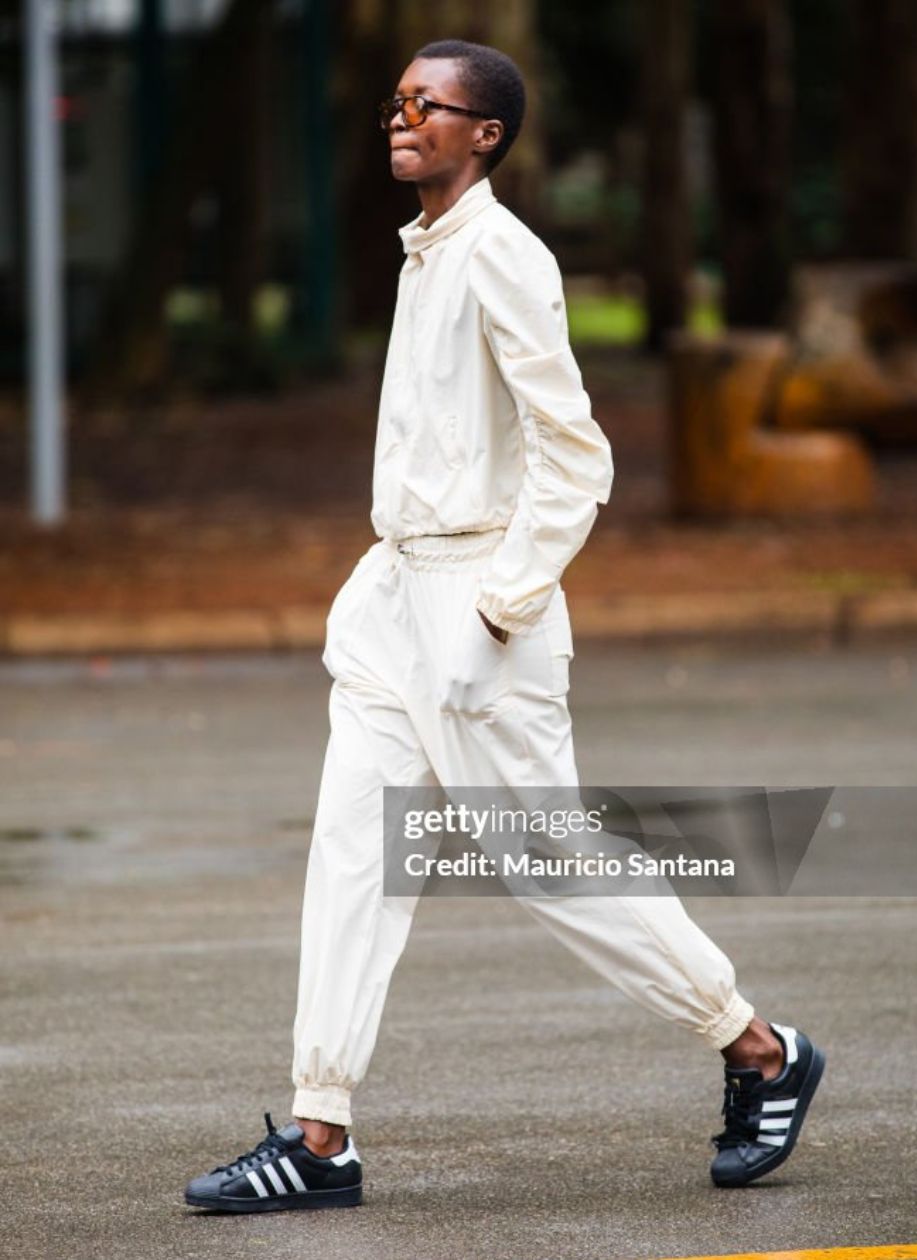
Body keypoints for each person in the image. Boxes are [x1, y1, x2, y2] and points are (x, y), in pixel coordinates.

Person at [184, 38, 824, 1214]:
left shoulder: (502, 256)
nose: (404, 115)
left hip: (483, 606)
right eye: (397, 100)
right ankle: (320, 1138)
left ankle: (760, 1051)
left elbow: (577, 459)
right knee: (352, 860)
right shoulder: (426, 253)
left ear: (486, 134)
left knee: (552, 868)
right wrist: (397, 591)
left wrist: (499, 604)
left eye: (433, 105)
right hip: (393, 606)